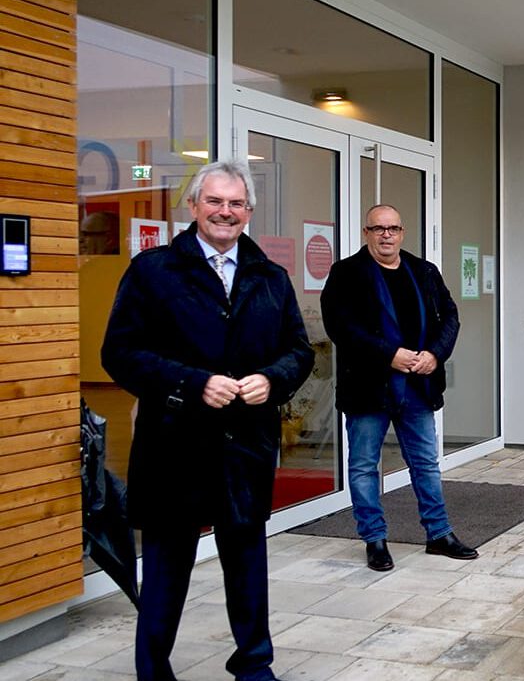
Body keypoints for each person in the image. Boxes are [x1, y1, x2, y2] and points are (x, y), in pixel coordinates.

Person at [102, 159, 313, 681]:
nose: (225, 212)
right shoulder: (153, 271)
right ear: (193, 206)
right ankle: (153, 670)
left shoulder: (271, 277)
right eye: (215, 201)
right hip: (174, 447)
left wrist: (273, 379)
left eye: (236, 203)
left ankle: (254, 665)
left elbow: (299, 350)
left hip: (245, 447)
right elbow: (120, 354)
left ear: (249, 212)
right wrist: (192, 382)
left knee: (247, 566)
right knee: (166, 570)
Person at [321, 204, 476, 572]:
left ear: (402, 232)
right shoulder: (346, 273)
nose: (386, 235)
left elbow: (450, 316)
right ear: (366, 233)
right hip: (368, 388)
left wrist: (435, 354)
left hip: (418, 386)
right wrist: (388, 355)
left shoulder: (423, 271)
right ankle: (374, 539)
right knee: (363, 467)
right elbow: (340, 326)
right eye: (378, 229)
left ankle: (439, 534)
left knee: (425, 464)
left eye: (392, 228)